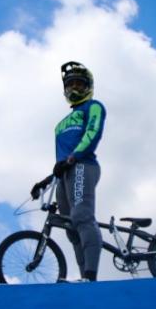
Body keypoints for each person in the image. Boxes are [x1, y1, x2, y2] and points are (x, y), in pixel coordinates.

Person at [31, 61, 106, 281]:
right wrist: (45, 181)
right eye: (69, 84)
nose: (74, 88)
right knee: (71, 229)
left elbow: (92, 134)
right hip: (65, 173)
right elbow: (61, 159)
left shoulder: (93, 106)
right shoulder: (60, 124)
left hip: (84, 165)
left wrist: (74, 157)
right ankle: (84, 279)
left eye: (79, 84)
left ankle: (91, 276)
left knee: (82, 216)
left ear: (88, 86)